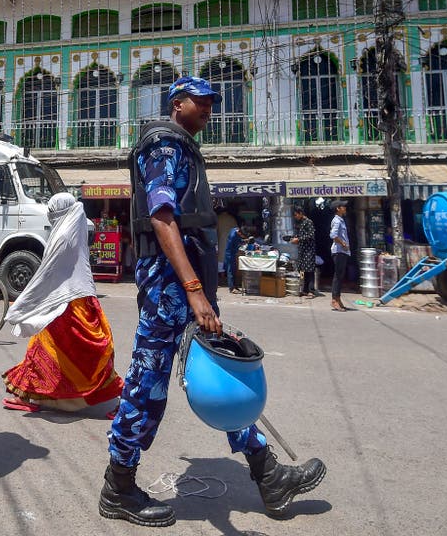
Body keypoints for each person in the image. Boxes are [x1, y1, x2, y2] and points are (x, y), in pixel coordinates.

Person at [102, 76, 326, 526]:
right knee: (147, 387)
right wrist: (193, 291)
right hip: (170, 286)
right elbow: (163, 218)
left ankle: (267, 473)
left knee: (220, 368)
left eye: (211, 102)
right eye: (199, 101)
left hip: (185, 285)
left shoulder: (183, 147)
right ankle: (118, 487)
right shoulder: (163, 145)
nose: (208, 108)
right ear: (176, 103)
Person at [2, 192, 123, 413]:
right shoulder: (74, 229)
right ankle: (34, 396)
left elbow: (45, 275)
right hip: (76, 301)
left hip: (68, 305)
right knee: (50, 350)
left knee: (82, 352)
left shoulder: (63, 237)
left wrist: (22, 305)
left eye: (51, 209)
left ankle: (122, 397)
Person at [289, 208, 317, 298]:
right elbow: (301, 235)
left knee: (310, 270)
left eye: (296, 214)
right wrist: (294, 238)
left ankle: (311, 291)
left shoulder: (309, 222)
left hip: (309, 250)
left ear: (301, 213)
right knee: (302, 270)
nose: (295, 217)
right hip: (302, 250)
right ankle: (304, 290)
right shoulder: (300, 223)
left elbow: (310, 235)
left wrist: (298, 239)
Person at [328, 200, 350, 311]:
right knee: (338, 276)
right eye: (343, 207)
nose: (345, 208)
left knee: (340, 276)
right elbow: (333, 235)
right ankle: (334, 300)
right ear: (338, 208)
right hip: (339, 251)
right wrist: (343, 244)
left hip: (343, 251)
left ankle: (338, 299)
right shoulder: (336, 221)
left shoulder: (341, 220)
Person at [222, 220, 245, 292]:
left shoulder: (235, 230)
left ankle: (235, 286)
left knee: (234, 270)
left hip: (233, 253)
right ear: (239, 232)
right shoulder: (233, 236)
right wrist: (243, 242)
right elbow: (236, 244)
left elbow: (240, 240)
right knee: (230, 271)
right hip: (230, 254)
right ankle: (231, 288)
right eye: (242, 235)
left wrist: (244, 240)